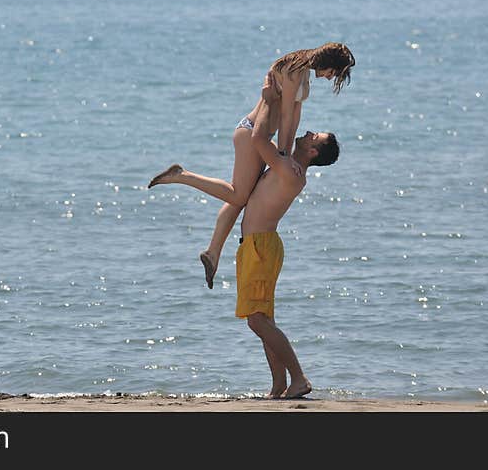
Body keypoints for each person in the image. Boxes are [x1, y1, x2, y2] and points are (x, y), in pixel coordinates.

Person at [151, 83, 341, 398]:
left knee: (256, 322)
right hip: (258, 246)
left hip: (261, 247)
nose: (307, 134)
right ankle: (279, 384)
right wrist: (294, 99)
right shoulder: (287, 164)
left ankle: (299, 378)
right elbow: (281, 132)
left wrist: (267, 100)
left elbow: (257, 139)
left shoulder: (289, 170)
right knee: (264, 320)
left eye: (313, 138)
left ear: (313, 152)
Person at [149, 41, 353, 288]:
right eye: (334, 72)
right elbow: (286, 115)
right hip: (251, 134)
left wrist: (285, 156)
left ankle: (213, 253)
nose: (331, 78)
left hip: (262, 136)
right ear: (327, 62)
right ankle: (181, 175)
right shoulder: (292, 69)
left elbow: (294, 117)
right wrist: (282, 155)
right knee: (238, 195)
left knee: (243, 197)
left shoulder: (302, 72)